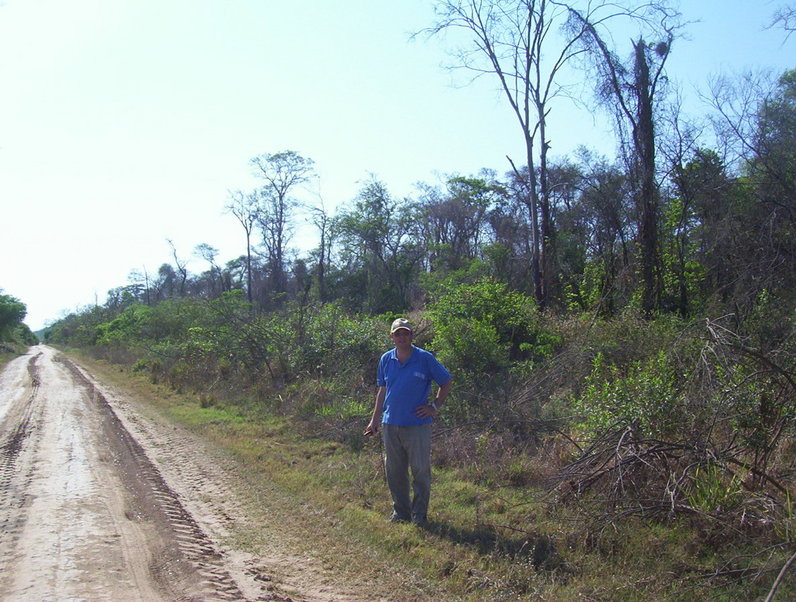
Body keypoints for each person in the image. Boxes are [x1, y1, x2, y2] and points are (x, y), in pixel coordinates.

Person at [365, 317, 452, 525]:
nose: (402, 337)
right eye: (398, 334)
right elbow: (382, 390)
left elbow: (446, 381)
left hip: (417, 426)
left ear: (412, 336)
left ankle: (419, 514)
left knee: (420, 471)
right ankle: (401, 512)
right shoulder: (386, 359)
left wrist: (434, 407)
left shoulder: (425, 358)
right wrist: (374, 420)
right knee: (394, 471)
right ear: (392, 337)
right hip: (390, 424)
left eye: (406, 333)